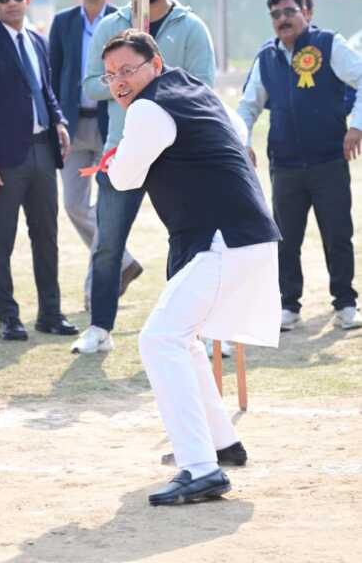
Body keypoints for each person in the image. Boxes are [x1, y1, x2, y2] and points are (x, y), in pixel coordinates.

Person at [101, 29, 281, 506]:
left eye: (128, 70)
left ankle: (201, 468)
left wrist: (113, 157)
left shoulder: (147, 109)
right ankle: (222, 443)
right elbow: (234, 133)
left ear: (156, 64)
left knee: (159, 339)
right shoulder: (195, 89)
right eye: (110, 75)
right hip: (241, 235)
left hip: (223, 238)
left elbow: (125, 178)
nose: (119, 82)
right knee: (180, 339)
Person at [72, 0, 215, 353]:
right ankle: (100, 328)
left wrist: (153, 79)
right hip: (122, 150)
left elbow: (203, 85)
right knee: (107, 244)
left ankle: (194, 330)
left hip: (179, 152)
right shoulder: (111, 25)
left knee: (189, 242)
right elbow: (91, 85)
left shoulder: (190, 26)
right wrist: (125, 80)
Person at [237, 0, 362, 332]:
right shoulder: (266, 57)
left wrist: (357, 125)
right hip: (285, 165)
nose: (282, 19)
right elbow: (247, 105)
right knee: (285, 239)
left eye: (289, 11)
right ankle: (288, 305)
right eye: (275, 15)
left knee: (337, 235)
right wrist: (242, 141)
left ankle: (346, 303)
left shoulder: (329, 44)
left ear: (307, 13)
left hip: (328, 160)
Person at [0, 0, 77, 341]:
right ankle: (8, 317)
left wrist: (59, 121)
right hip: (3, 160)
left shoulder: (39, 40)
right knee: (2, 239)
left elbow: (46, 91)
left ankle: (50, 314)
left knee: (46, 236)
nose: (11, 2)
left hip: (43, 151)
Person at [49, 0, 140, 309]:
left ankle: (95, 289)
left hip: (110, 125)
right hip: (72, 126)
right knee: (73, 205)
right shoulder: (63, 22)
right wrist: (57, 120)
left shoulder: (122, 22)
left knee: (106, 209)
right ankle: (124, 260)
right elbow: (53, 74)